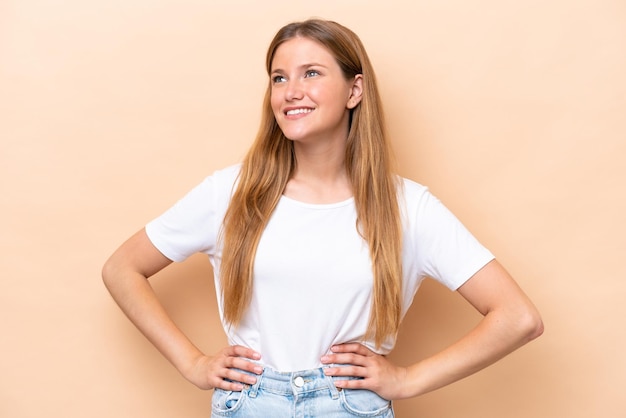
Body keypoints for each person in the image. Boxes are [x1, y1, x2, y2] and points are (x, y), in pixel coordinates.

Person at [102, 18, 543, 417]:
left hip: (351, 408)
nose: (291, 91)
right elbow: (122, 268)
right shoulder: (230, 194)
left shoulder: (409, 208)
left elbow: (517, 317)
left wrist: (408, 379)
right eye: (279, 78)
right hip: (252, 404)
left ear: (355, 90)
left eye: (311, 73)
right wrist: (193, 362)